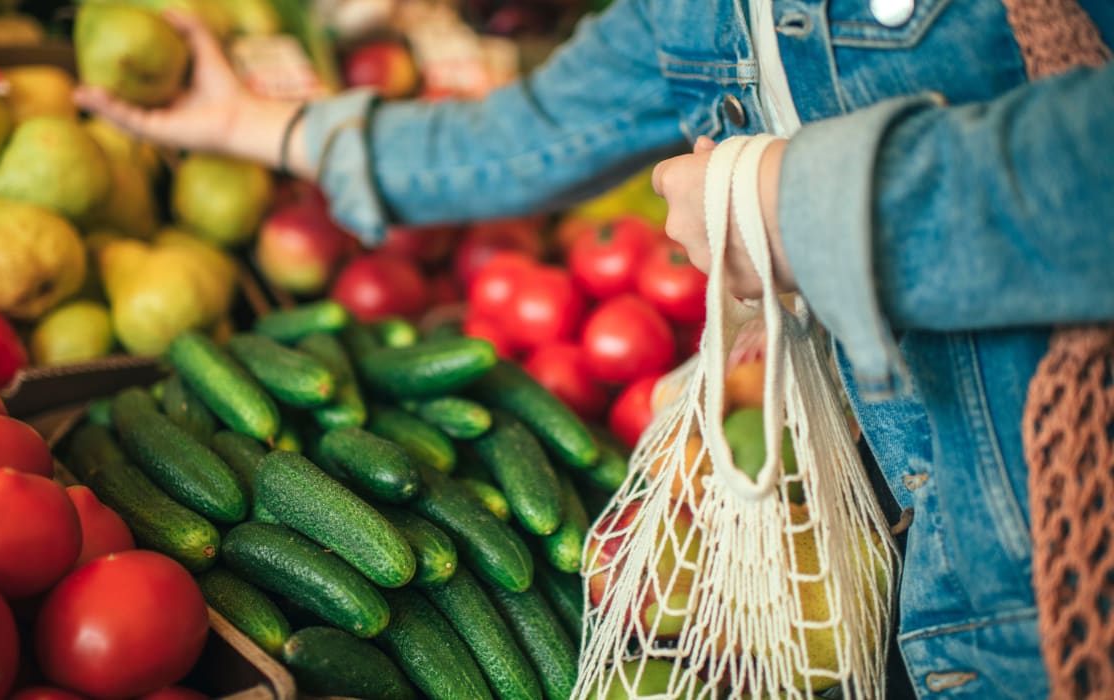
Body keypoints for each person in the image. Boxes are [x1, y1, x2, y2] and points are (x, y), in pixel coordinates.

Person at [77, 1, 1114, 696]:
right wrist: (258, 124)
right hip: (933, 593)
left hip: (1072, 573)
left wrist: (806, 205)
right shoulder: (697, 10)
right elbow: (524, 134)